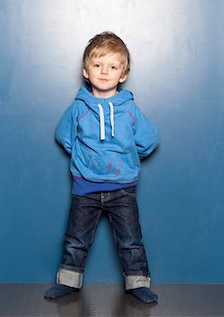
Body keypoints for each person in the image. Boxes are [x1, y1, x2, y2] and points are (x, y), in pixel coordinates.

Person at [44, 31, 159, 304]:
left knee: (130, 240)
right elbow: (65, 137)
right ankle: (68, 282)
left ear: (123, 74)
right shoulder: (78, 108)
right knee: (76, 240)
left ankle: (137, 283)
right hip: (85, 186)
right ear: (86, 71)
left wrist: (125, 160)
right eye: (97, 65)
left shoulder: (129, 109)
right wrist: (86, 159)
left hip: (123, 189)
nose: (104, 72)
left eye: (112, 66)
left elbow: (149, 141)